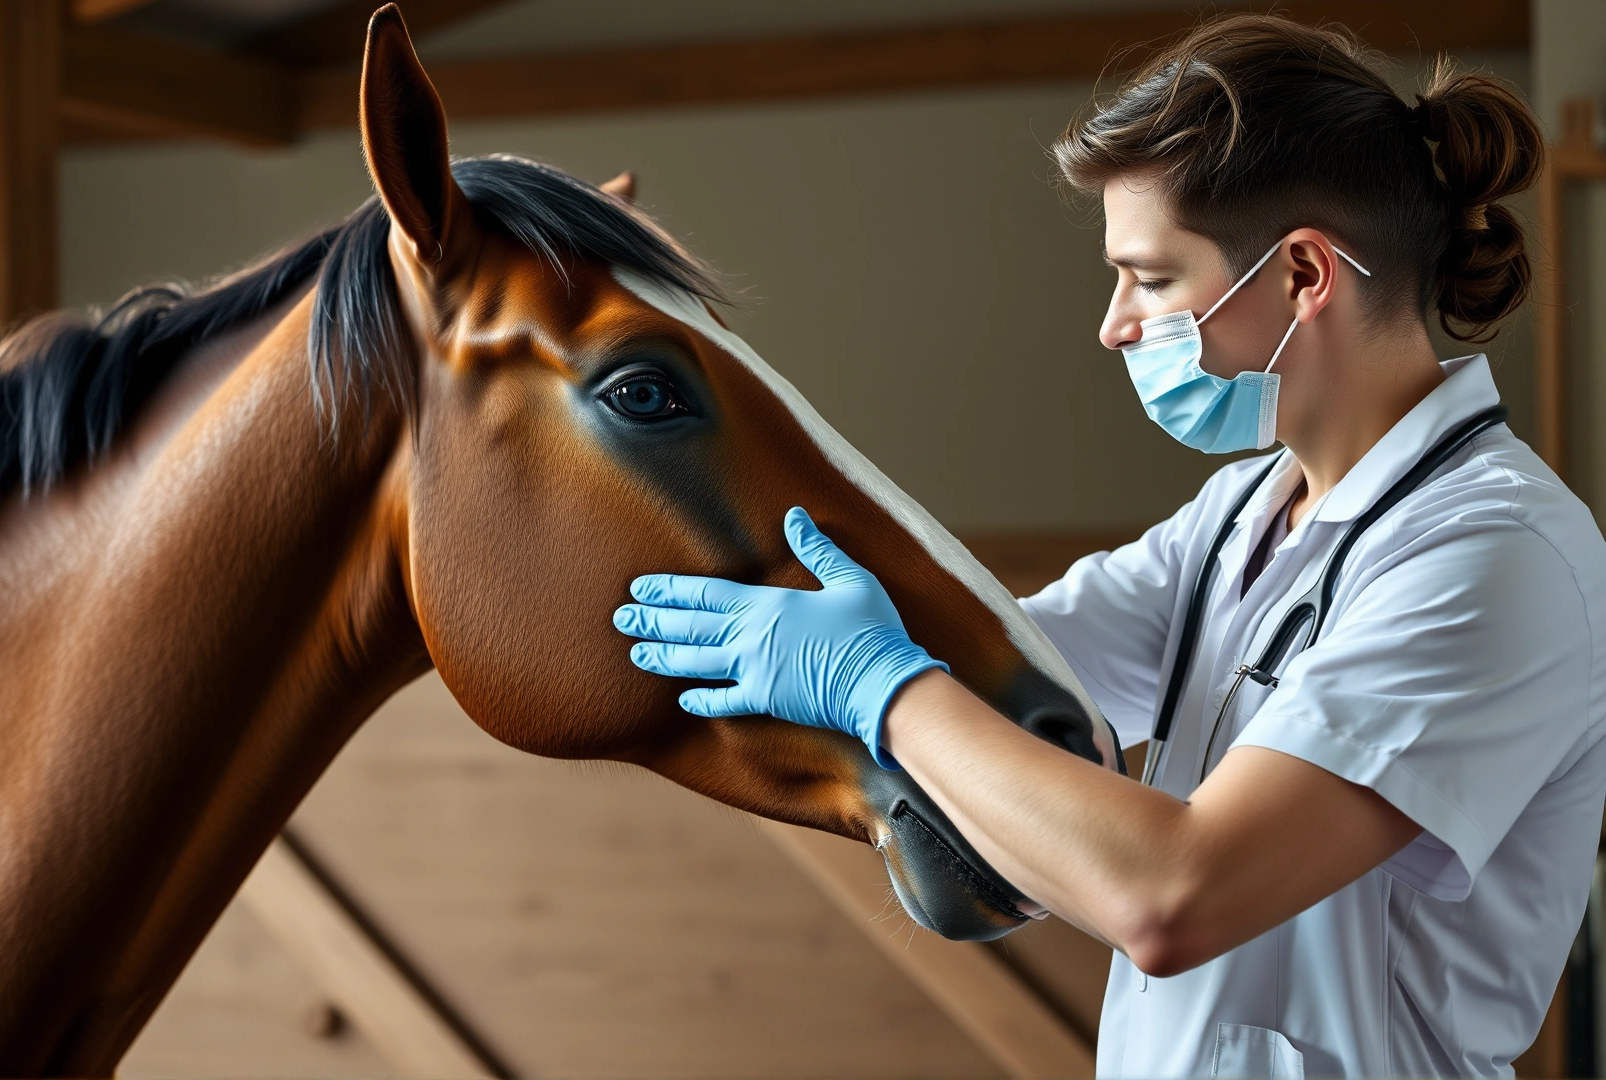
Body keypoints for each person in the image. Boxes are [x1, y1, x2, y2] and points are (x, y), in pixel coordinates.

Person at [614, 14, 1606, 1077]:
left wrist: (880, 686)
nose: (1115, 324)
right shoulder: (1234, 522)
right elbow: (991, 675)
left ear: (1306, 274)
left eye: (1152, 277)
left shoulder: (1497, 554)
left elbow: (1176, 893)